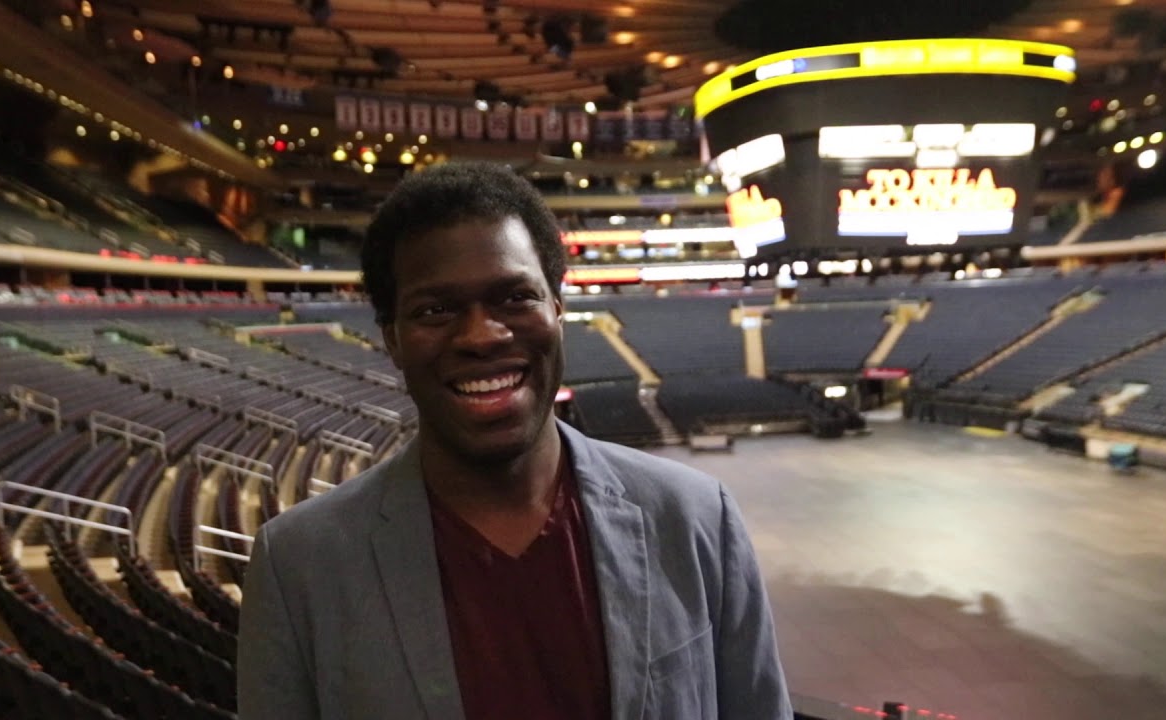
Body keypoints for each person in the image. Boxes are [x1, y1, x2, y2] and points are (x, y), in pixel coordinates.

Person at [238, 162, 792, 720]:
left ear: (557, 308)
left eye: (514, 297)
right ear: (393, 341)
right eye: (435, 310)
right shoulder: (298, 566)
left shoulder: (697, 518)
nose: (481, 335)